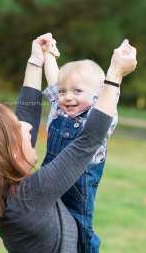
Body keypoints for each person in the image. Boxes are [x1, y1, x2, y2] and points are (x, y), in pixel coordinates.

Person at [0, 34, 137, 253]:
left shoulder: (5, 191)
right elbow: (88, 141)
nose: (27, 127)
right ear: (8, 153)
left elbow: (27, 112)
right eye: (17, 129)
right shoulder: (28, 198)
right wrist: (116, 74)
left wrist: (36, 60)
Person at [38, 33, 131, 253]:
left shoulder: (98, 116)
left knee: (80, 229)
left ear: (98, 94)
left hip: (77, 187)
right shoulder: (59, 108)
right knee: (44, 225)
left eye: (77, 91)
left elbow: (109, 95)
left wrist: (117, 68)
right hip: (49, 178)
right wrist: (48, 53)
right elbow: (54, 81)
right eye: (64, 92)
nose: (67, 97)